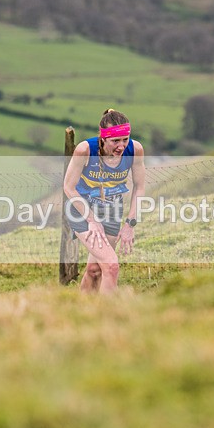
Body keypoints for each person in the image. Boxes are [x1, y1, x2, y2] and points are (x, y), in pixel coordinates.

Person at [63, 108, 146, 293]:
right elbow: (68, 187)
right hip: (82, 209)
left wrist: (130, 224)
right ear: (103, 138)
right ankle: (109, 310)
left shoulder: (135, 150)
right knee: (111, 266)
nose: (121, 146)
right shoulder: (85, 150)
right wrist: (92, 220)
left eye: (125, 139)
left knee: (95, 270)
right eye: (115, 141)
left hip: (112, 209)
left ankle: (79, 307)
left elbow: (139, 187)